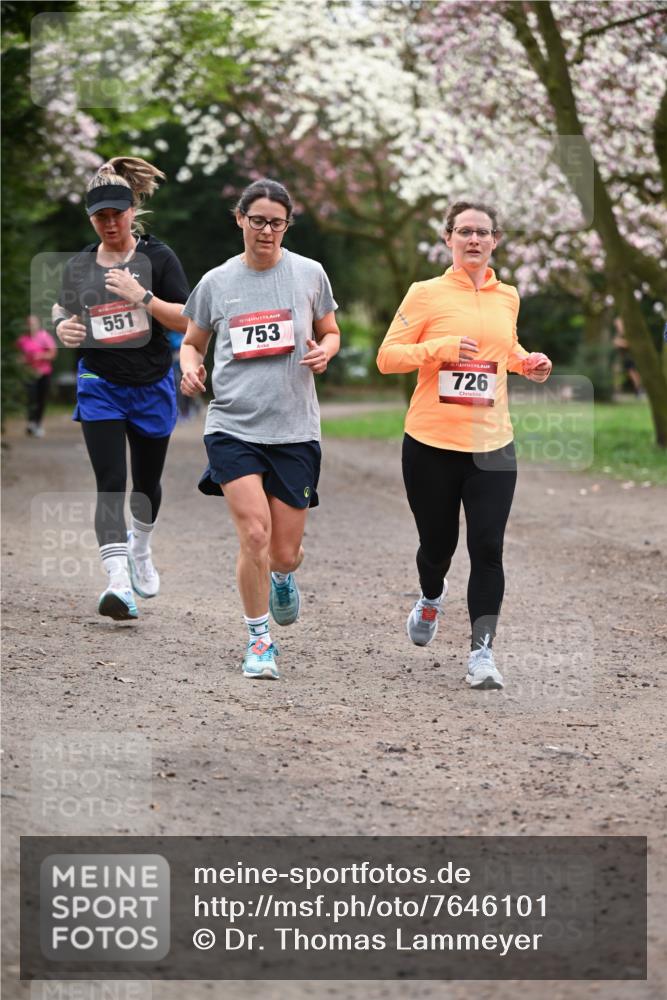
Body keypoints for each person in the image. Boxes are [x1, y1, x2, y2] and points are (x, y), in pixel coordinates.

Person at [377, 201, 552, 690]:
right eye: (464, 232)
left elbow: (504, 350)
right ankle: (431, 596)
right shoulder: (425, 293)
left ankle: (482, 653)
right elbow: (387, 357)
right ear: (448, 238)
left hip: (492, 443)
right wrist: (440, 349)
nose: (473, 240)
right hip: (431, 441)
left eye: (482, 232)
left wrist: (527, 363)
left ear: (495, 239)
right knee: (438, 546)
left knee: (488, 547)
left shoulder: (508, 296)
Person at [180, 178, 340, 680]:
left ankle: (283, 579)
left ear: (287, 225)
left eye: (276, 222)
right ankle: (258, 640)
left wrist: (324, 351)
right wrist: (189, 366)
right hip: (233, 425)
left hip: (294, 428)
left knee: (284, 553)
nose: (266, 230)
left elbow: (331, 331)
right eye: (257, 220)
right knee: (254, 534)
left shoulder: (310, 275)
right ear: (240, 220)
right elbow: (192, 341)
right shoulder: (217, 282)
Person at [52, 157, 189, 621]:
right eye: (100, 216)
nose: (110, 223)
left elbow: (187, 319)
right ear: (91, 219)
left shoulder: (159, 258)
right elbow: (61, 308)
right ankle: (117, 584)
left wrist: (142, 297)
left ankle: (142, 548)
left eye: (117, 213)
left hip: (151, 383)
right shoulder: (79, 265)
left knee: (146, 484)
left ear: (132, 210)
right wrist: (62, 328)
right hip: (101, 382)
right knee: (111, 483)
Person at [16, 315, 57, 437]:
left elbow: (53, 353)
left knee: (41, 399)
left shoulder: (44, 336)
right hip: (29, 373)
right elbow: (16, 357)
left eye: (33, 323)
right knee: (31, 398)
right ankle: (31, 422)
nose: (31, 326)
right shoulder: (22, 339)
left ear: (38, 324)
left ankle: (38, 423)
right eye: (29, 323)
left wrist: (41, 356)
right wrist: (23, 361)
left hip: (44, 372)